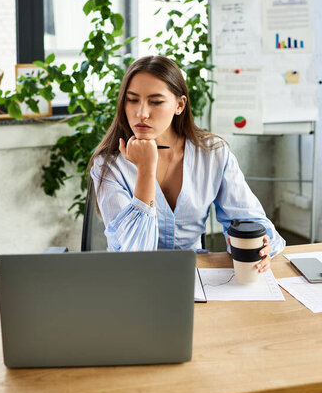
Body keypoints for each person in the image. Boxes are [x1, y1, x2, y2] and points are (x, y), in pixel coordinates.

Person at [89, 55, 285, 271]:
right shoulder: (108, 165)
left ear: (179, 105)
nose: (141, 113)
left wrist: (261, 244)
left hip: (196, 275)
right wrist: (146, 170)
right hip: (133, 282)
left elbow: (253, 222)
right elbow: (134, 256)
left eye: (155, 101)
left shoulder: (213, 154)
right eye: (132, 99)